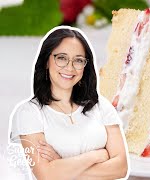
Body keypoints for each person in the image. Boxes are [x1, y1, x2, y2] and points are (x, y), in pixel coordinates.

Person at [9, 26, 128, 179]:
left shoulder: (101, 106)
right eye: (62, 58)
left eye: (78, 60)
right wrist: (96, 156)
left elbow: (121, 168)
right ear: (46, 61)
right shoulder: (29, 113)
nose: (69, 67)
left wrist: (60, 163)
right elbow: (46, 175)